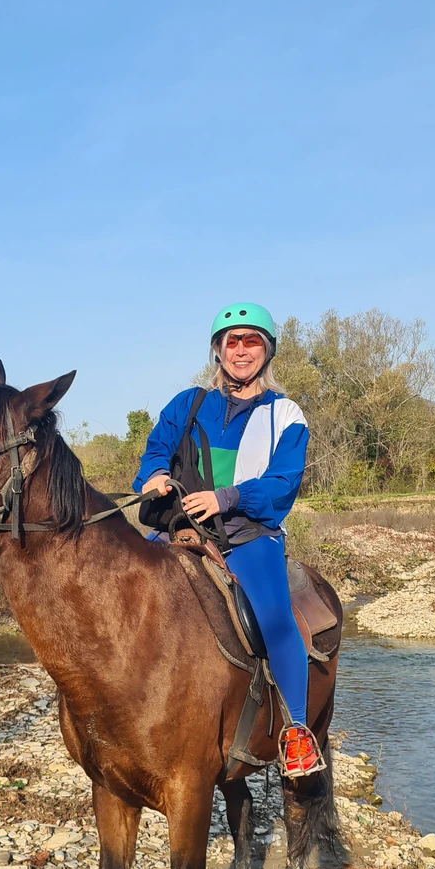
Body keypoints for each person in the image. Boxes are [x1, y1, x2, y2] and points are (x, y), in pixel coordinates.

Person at [132, 302, 325, 777]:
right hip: (180, 529)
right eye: (232, 341)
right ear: (218, 350)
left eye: (251, 340)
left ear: (268, 350)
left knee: (275, 618)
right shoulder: (188, 403)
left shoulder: (286, 413)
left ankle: (297, 733)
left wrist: (228, 497)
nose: (241, 350)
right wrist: (153, 475)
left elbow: (283, 482)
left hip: (248, 534)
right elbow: (156, 449)